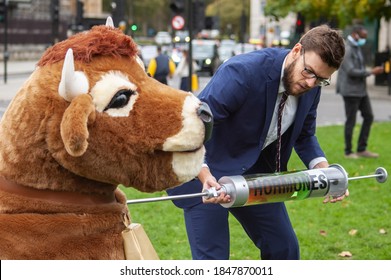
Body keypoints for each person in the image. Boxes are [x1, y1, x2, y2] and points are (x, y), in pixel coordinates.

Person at [166, 25, 347, 260]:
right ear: (296, 50)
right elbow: (195, 126)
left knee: (284, 249)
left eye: (322, 79)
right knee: (213, 261)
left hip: (255, 174)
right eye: (309, 72)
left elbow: (305, 135)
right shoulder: (243, 72)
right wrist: (204, 175)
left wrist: (325, 173)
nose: (311, 83)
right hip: (204, 170)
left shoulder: (311, 86)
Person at [336, 25, 384, 159]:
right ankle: (348, 152)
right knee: (351, 121)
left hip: (361, 91)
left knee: (369, 116)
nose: (364, 40)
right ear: (356, 34)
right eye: (363, 37)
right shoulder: (347, 49)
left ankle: (362, 149)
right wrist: (371, 72)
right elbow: (351, 71)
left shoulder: (356, 47)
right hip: (350, 91)